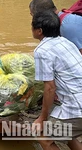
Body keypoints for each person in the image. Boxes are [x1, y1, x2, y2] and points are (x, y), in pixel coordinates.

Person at [31, 11, 82, 150]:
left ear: (39, 31)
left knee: (42, 134)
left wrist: (42, 118)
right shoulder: (66, 41)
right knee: (67, 133)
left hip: (78, 108)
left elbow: (50, 88)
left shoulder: (42, 50)